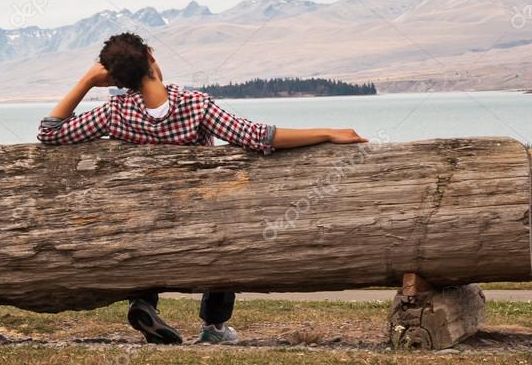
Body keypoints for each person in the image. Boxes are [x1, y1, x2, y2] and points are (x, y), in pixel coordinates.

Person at [36, 32, 367, 345]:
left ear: (116, 80)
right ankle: (213, 324)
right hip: (203, 224)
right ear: (151, 56)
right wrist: (327, 132)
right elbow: (256, 136)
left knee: (147, 219)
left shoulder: (113, 113)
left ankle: (144, 301)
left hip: (143, 230)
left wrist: (87, 81)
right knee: (225, 223)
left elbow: (49, 132)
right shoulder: (195, 105)